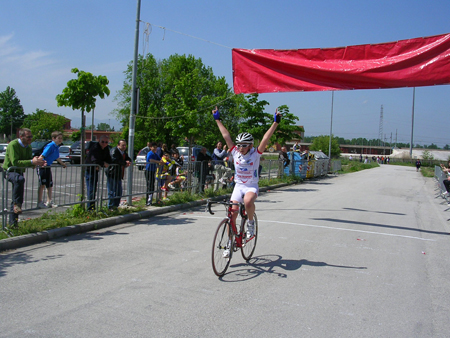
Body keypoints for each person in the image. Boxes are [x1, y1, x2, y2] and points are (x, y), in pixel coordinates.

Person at [212, 106, 281, 257]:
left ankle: (250, 223)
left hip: (251, 186)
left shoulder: (255, 154)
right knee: (232, 213)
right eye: (239, 145)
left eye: (244, 145)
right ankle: (231, 242)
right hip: (238, 186)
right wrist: (217, 119)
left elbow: (265, 138)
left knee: (248, 201)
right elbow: (226, 136)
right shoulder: (235, 152)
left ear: (250, 145)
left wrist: (275, 123)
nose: (240, 147)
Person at [2, 128, 47, 227]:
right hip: (9, 171)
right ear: (21, 136)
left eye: (31, 137)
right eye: (28, 137)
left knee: (17, 191)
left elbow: (28, 161)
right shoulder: (13, 145)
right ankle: (17, 205)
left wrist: (38, 162)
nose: (30, 139)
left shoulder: (28, 147)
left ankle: (14, 223)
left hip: (19, 172)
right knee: (20, 180)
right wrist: (31, 162)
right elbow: (15, 162)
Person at [36, 131, 67, 209]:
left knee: (49, 184)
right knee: (42, 184)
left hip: (48, 166)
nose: (60, 140)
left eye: (61, 138)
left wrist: (63, 164)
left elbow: (57, 157)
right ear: (53, 138)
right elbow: (42, 155)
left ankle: (49, 201)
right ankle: (39, 202)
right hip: (42, 166)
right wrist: (39, 163)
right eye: (58, 138)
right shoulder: (50, 146)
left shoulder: (57, 147)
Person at [85, 135, 112, 210]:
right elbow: (95, 160)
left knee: (94, 189)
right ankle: (90, 208)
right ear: (99, 141)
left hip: (96, 171)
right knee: (91, 190)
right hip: (90, 170)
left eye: (106, 142)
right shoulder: (95, 148)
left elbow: (109, 159)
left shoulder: (106, 149)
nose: (104, 143)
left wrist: (104, 163)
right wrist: (102, 163)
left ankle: (93, 207)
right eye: (102, 142)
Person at [106, 139, 131, 210]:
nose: (124, 147)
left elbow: (128, 158)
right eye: (122, 145)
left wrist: (129, 161)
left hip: (119, 174)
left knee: (119, 191)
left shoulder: (123, 152)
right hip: (112, 173)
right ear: (118, 145)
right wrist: (124, 163)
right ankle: (110, 207)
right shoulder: (114, 151)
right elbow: (114, 159)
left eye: (125, 145)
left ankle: (115, 206)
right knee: (112, 191)